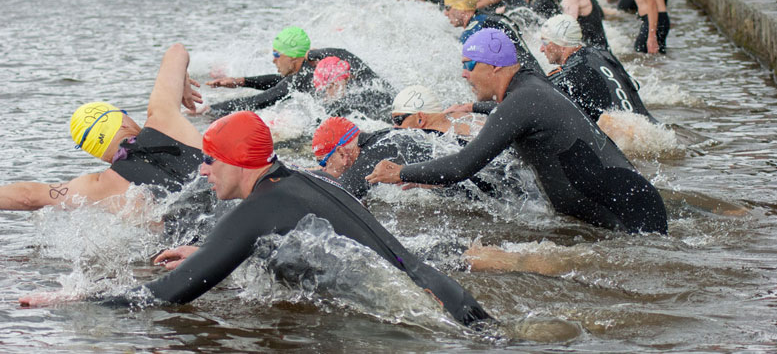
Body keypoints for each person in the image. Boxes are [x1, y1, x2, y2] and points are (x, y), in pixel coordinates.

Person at [19, 111, 493, 329]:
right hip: (445, 293)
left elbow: (167, 295)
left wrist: (80, 300)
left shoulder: (261, 206)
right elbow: (300, 243)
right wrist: (210, 251)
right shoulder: (298, 181)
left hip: (433, 316)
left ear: (238, 163)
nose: (202, 171)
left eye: (210, 160)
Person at [367, 29, 668, 234]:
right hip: (626, 204)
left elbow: (463, 164)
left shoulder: (522, 101)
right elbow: (492, 167)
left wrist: (402, 172)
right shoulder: (526, 92)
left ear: (495, 67)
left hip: (632, 213)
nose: (463, 73)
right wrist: (431, 176)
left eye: (469, 64)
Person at [0, 44, 204, 213]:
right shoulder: (164, 117)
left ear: (100, 155)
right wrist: (182, 81)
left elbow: (27, 196)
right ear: (123, 121)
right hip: (229, 213)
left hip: (202, 247)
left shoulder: (100, 186)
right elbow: (176, 51)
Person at [314, 87, 486, 199]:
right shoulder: (383, 139)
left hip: (493, 188)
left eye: (323, 162)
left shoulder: (379, 148)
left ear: (343, 154)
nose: (323, 169)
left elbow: (341, 196)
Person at [206, 27, 393, 115]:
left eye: (277, 53)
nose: (273, 59)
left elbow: (258, 101)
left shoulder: (301, 78)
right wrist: (242, 81)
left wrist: (208, 110)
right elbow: (280, 84)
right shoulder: (334, 59)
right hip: (391, 102)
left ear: (293, 57)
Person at [540, 14, 655, 122]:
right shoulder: (603, 54)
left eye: (545, 42)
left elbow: (536, 98)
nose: (541, 48)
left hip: (626, 139)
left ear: (562, 44)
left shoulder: (568, 73)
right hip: (651, 126)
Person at [443, 0, 541, 72]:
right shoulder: (492, 18)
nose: (445, 13)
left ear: (461, 8)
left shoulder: (474, 30)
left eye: (448, 8)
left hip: (520, 82)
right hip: (535, 75)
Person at [312, 56, 394, 122]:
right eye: (323, 91)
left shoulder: (370, 95)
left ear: (347, 78)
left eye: (330, 86)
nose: (327, 93)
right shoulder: (325, 109)